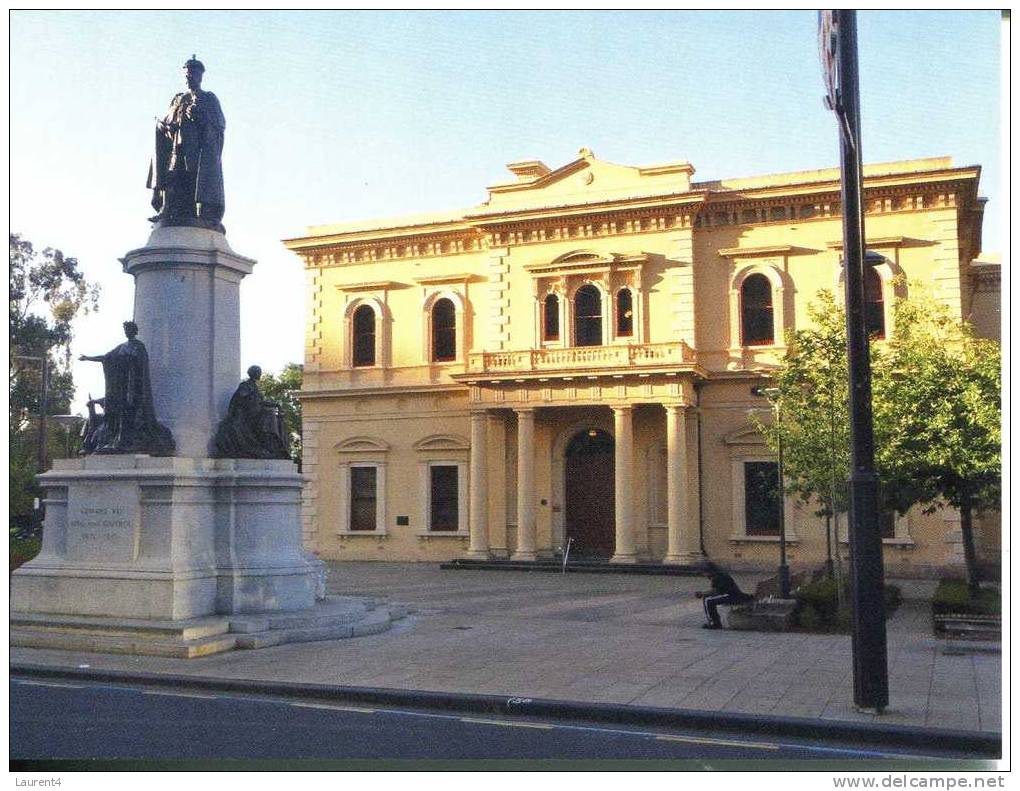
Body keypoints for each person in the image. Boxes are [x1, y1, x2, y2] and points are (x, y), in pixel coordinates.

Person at [147, 55, 225, 231]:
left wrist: (200, 116)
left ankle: (202, 214)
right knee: (172, 176)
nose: (189, 78)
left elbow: (219, 124)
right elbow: (169, 118)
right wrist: (164, 125)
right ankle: (167, 210)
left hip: (198, 151)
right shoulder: (178, 99)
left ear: (200, 76)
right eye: (187, 75)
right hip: (176, 146)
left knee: (194, 181)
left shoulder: (208, 98)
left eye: (192, 75)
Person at [78, 321, 175, 455]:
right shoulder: (122, 347)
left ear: (134, 331)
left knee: (130, 415)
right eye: (125, 329)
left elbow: (141, 367)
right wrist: (88, 358)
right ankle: (119, 441)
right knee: (121, 414)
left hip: (135, 388)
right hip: (122, 388)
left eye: (128, 329)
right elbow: (106, 358)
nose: (126, 332)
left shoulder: (139, 347)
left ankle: (124, 442)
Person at [214, 365, 290, 459]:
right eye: (258, 372)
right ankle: (268, 441)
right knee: (269, 415)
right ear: (253, 373)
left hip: (256, 413)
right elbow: (239, 399)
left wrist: (276, 405)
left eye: (260, 372)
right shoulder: (246, 385)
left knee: (272, 415)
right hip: (248, 415)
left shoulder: (254, 386)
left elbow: (260, 402)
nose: (260, 374)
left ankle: (272, 443)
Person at [695, 564, 754, 629]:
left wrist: (702, 593)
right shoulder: (721, 575)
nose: (704, 575)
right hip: (737, 596)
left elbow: (716, 592)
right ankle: (715, 622)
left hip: (734, 597)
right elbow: (719, 591)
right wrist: (705, 593)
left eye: (704, 573)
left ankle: (715, 623)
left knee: (708, 600)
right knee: (708, 598)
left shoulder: (717, 577)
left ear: (708, 572)